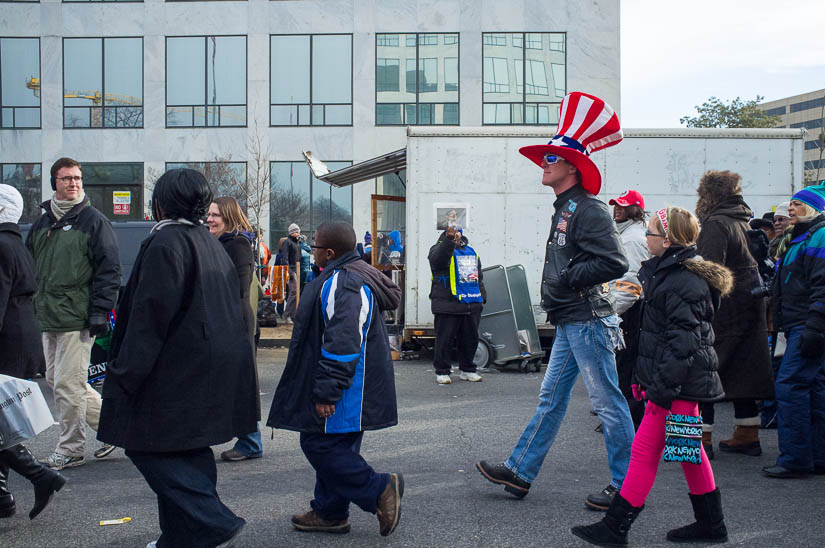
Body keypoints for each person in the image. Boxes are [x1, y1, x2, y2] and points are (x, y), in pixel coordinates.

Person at [476, 92, 635, 511]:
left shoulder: (589, 209)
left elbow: (614, 261)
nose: (544, 163)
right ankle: (520, 471)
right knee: (552, 399)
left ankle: (628, 488)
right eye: (546, 157)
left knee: (607, 402)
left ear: (571, 166)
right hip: (572, 319)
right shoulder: (566, 206)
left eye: (551, 158)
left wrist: (568, 277)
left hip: (588, 319)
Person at [97, 169, 256, 548]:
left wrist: (124, 374)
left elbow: (149, 319)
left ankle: (212, 522)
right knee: (188, 448)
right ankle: (181, 537)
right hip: (207, 366)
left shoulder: (167, 242)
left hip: (172, 371)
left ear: (161, 203)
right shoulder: (207, 239)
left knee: (144, 445)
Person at [571, 206, 731, 546]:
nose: (646, 238)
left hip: (676, 388)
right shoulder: (670, 274)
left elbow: (684, 342)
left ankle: (616, 528)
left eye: (651, 233)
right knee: (687, 454)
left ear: (668, 239)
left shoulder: (683, 281)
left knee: (650, 452)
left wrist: (661, 388)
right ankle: (710, 525)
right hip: (674, 386)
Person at [267, 220, 404, 537]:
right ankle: (330, 513)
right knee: (337, 444)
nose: (310, 249)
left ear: (328, 253)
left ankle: (379, 489)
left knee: (319, 444)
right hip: (351, 384)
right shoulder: (346, 273)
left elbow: (343, 342)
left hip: (347, 389)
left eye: (314, 245)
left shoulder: (344, 283)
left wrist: (327, 391)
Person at [26, 157, 121, 470]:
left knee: (68, 384)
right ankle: (113, 428)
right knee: (59, 380)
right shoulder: (42, 224)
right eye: (67, 178)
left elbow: (109, 270)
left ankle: (72, 448)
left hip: (77, 317)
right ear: (55, 181)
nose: (74, 183)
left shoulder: (93, 221)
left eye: (78, 178)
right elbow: (30, 269)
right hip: (47, 315)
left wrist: (100, 312)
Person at [694, 170, 773, 459]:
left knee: (706, 372)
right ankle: (747, 434)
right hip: (748, 307)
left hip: (723, 311)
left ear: (710, 194)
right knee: (743, 372)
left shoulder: (716, 223)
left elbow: (710, 270)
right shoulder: (742, 220)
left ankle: (701, 440)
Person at [0, 184, 67, 520]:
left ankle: (41, 476)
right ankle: (2, 496)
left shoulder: (0, 245)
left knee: (2, 421)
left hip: (7, 339)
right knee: (3, 419)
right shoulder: (17, 243)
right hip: (23, 337)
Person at [763, 185, 825, 478]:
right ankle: (817, 455)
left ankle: (796, 458)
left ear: (813, 209)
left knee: (790, 386)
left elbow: (821, 286)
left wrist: (814, 325)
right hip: (801, 324)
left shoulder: (818, 236)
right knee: (813, 387)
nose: (790, 209)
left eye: (798, 205)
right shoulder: (801, 237)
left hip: (808, 324)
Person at [206, 196, 263, 463]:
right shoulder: (219, 243)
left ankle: (251, 441)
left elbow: (240, 288)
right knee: (230, 381)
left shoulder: (237, 244)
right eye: (208, 214)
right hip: (223, 319)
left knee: (241, 382)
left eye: (215, 215)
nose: (210, 219)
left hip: (235, 321)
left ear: (228, 217)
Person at [607, 189, 650, 429]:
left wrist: (610, 314)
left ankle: (629, 423)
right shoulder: (626, 234)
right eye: (615, 205)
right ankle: (626, 419)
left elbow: (630, 284)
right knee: (624, 369)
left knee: (626, 370)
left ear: (635, 209)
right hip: (627, 310)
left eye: (623, 206)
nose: (617, 209)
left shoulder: (632, 238)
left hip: (628, 313)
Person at [428, 225, 486, 384]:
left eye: (459, 231)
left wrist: (482, 298)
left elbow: (478, 276)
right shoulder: (438, 249)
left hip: (471, 304)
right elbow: (438, 260)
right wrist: (448, 240)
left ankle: (467, 370)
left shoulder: (471, 251)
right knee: (444, 340)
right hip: (447, 304)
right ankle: (442, 371)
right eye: (454, 232)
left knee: (470, 339)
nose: (457, 234)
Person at [280, 223, 302, 323]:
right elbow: (284, 257)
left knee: (296, 292)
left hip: (297, 269)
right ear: (292, 233)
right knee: (293, 291)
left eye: (299, 232)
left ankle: (293, 314)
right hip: (291, 270)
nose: (298, 234)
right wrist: (288, 271)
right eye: (296, 232)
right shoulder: (287, 242)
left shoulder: (297, 243)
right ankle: (287, 314)